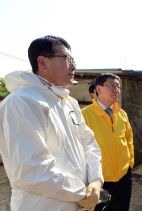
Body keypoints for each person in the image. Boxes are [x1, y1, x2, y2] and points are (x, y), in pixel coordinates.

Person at [0, 35, 103, 211]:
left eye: (73, 59)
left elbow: (88, 142)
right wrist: (83, 194)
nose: (73, 65)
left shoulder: (68, 102)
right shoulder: (22, 102)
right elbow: (31, 170)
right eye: (66, 58)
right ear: (43, 62)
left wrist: (95, 181)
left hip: (79, 202)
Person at [81, 73, 134, 211]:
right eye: (112, 86)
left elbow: (129, 140)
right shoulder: (84, 115)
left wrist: (130, 165)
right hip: (99, 181)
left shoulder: (122, 114)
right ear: (98, 89)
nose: (116, 90)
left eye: (118, 87)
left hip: (123, 178)